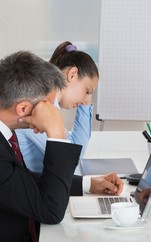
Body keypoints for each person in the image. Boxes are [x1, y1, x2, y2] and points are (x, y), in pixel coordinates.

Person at [0, 51, 123, 242]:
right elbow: (51, 211)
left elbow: (18, 180)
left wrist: (88, 184)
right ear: (23, 108)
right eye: (49, 107)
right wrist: (56, 132)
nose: (53, 113)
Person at [16, 41, 98, 172]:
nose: (85, 101)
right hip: (35, 186)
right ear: (72, 74)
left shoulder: (49, 104)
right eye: (87, 91)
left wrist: (86, 103)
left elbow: (76, 149)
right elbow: (72, 160)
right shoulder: (39, 106)